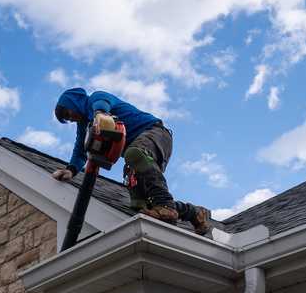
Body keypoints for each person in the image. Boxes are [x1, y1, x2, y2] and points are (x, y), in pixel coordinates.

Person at [51, 88, 211, 235]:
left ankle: (165, 205)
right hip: (137, 154)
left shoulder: (95, 98)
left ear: (73, 102)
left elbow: (102, 102)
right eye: (67, 119)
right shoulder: (84, 125)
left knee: (134, 153)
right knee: (139, 204)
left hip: (154, 133)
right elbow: (80, 149)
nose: (70, 118)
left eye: (68, 113)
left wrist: (100, 113)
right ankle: (193, 213)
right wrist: (70, 170)